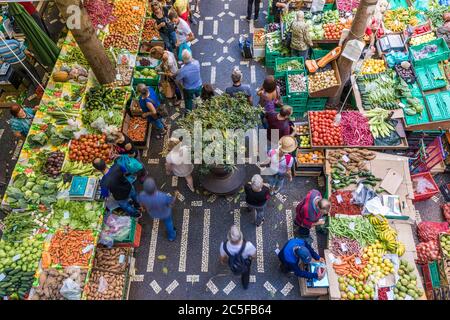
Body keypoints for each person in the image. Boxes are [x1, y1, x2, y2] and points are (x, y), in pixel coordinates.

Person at [220, 225, 257, 290]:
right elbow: (253, 256)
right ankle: (245, 285)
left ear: (229, 237)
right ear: (241, 237)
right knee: (246, 274)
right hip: (245, 263)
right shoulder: (248, 245)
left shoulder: (223, 246)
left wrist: (225, 262)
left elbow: (223, 258)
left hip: (233, 263)